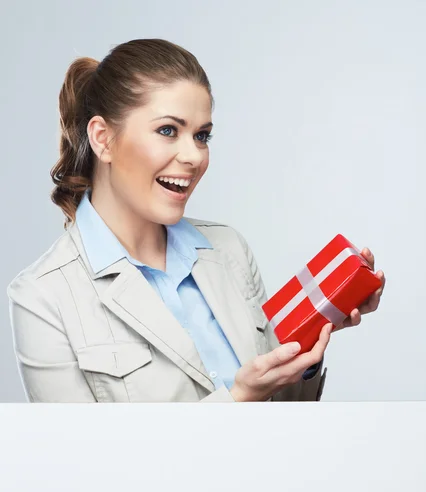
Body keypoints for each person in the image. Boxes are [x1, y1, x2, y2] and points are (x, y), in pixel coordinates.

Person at [7, 39, 385, 403]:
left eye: (202, 135)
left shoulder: (228, 250)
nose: (193, 156)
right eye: (168, 130)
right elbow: (83, 462)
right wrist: (239, 400)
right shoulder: (42, 298)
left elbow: (284, 414)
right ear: (103, 138)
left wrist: (310, 342)